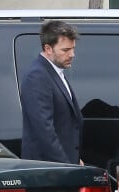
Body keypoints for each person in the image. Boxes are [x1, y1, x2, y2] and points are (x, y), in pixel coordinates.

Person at [20, 20, 83, 165]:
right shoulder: (37, 76)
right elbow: (44, 130)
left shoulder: (54, 71)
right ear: (48, 49)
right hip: (49, 170)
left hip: (60, 166)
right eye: (65, 50)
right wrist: (66, 165)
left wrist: (74, 159)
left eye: (73, 48)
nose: (72, 54)